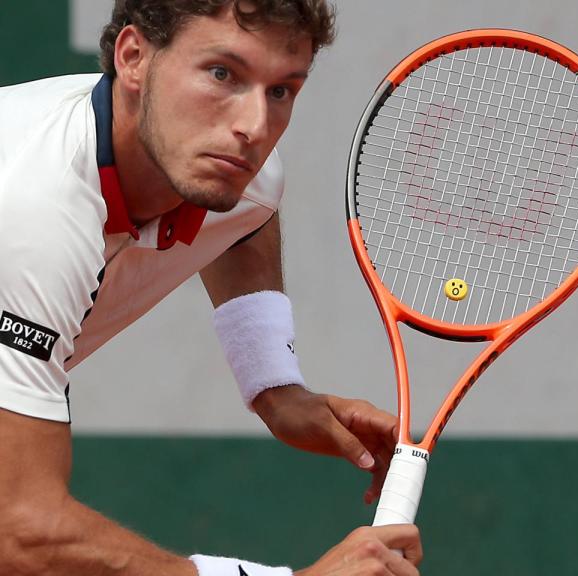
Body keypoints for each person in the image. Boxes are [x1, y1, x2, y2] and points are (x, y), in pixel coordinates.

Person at [0, 1, 422, 574]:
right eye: (223, 74)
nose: (253, 127)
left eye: (281, 91)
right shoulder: (31, 206)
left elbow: (245, 217)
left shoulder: (229, 171)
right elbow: (19, 532)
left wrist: (274, 385)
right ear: (133, 58)